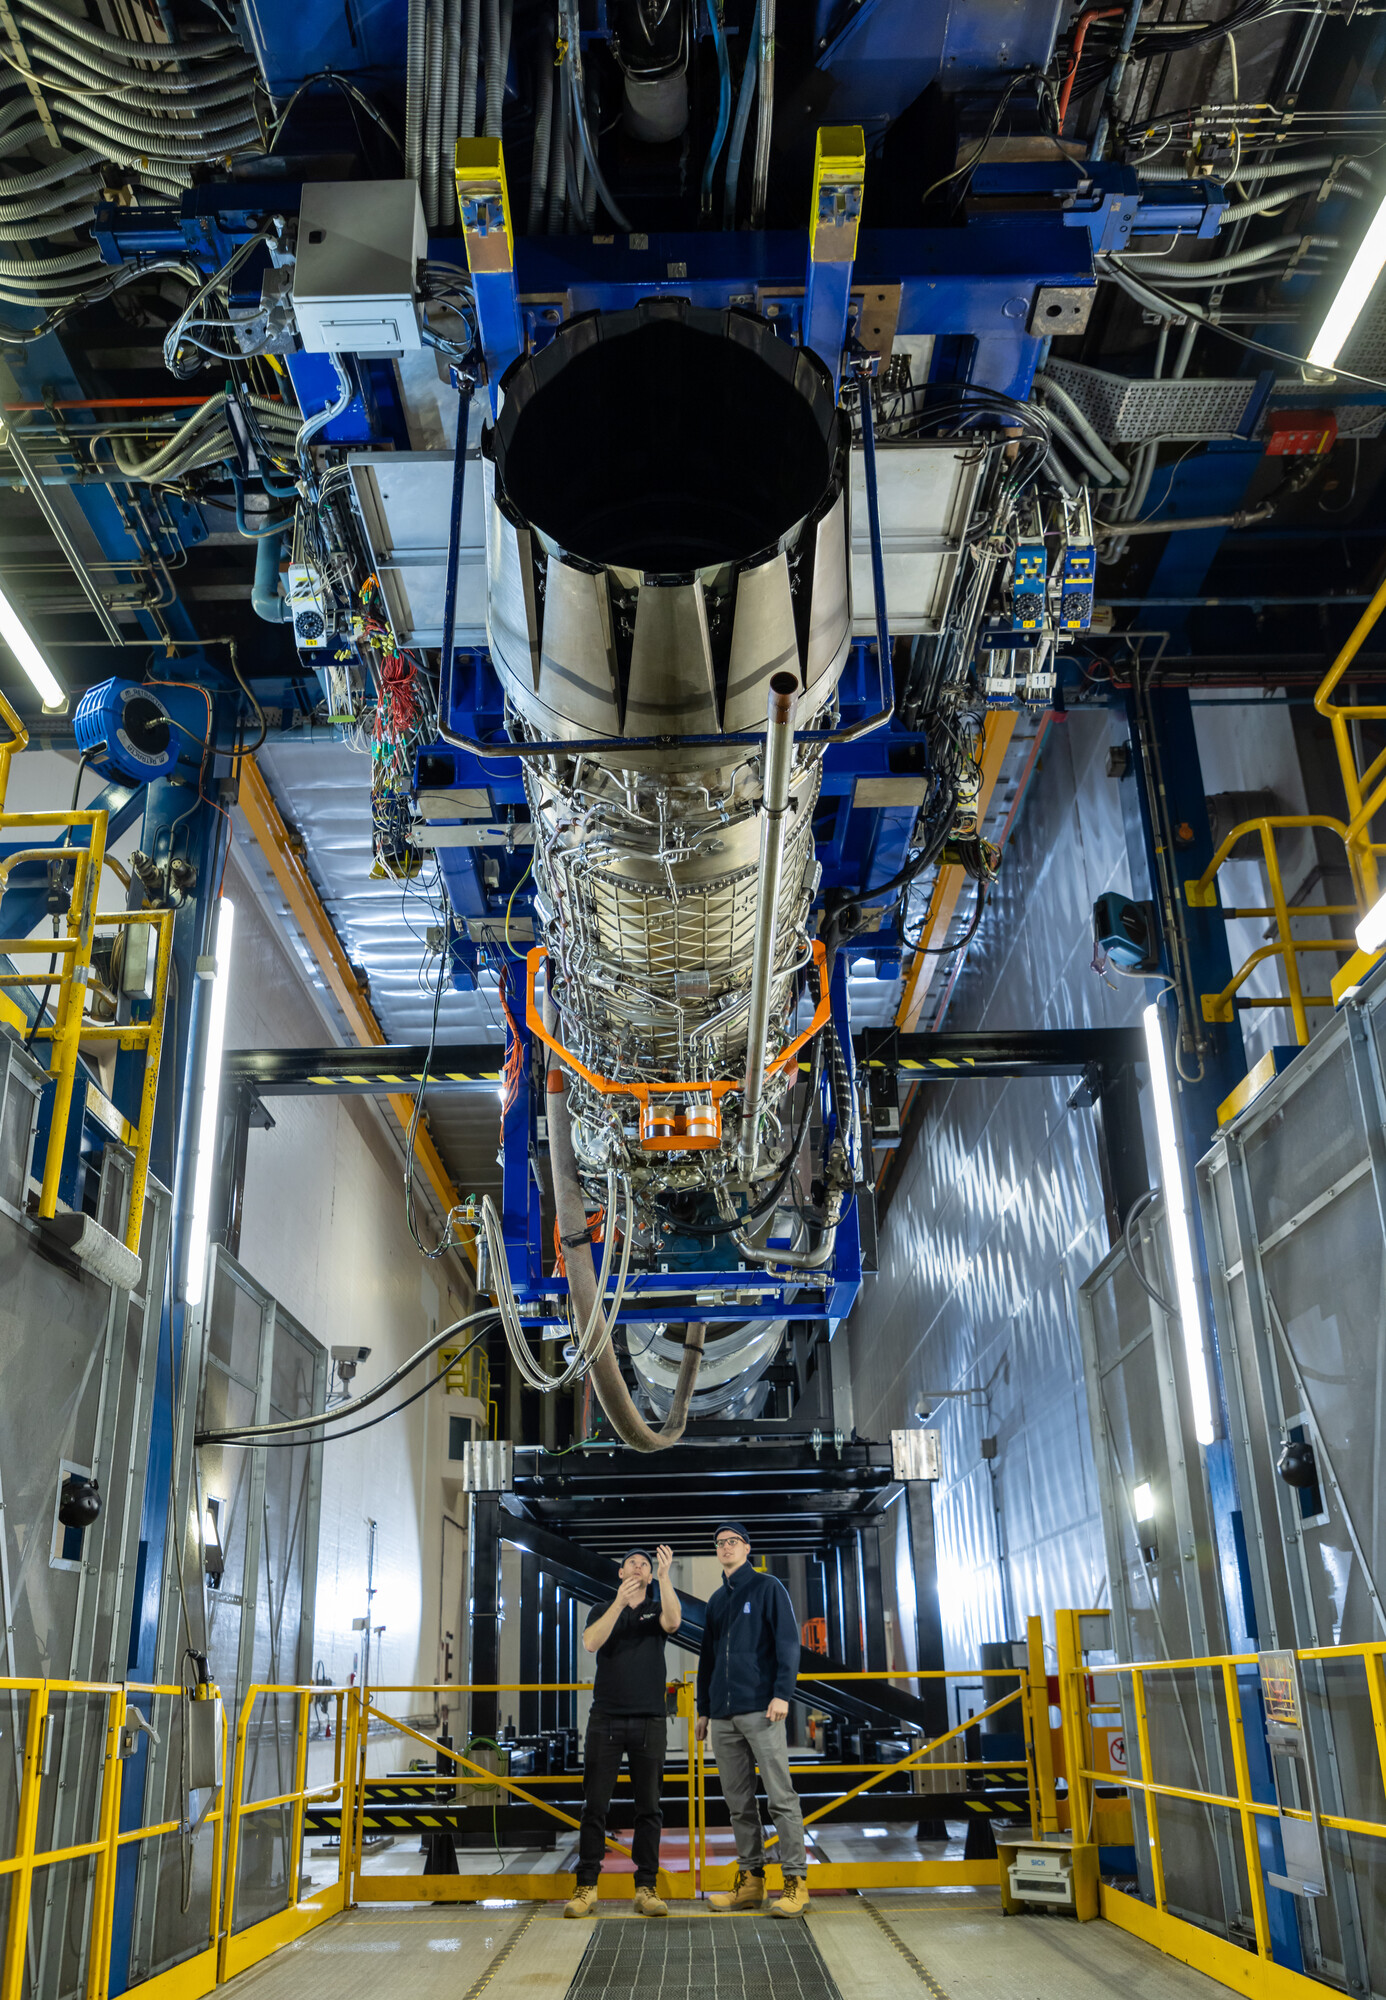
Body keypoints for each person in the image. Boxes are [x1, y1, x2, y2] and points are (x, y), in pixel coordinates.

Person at [695, 1521, 809, 1917]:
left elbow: (787, 1643)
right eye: (719, 1543)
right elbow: (708, 1659)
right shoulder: (715, 1600)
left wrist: (782, 1693)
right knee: (739, 1803)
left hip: (762, 1708)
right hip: (723, 1716)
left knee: (780, 1797)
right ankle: (751, 1882)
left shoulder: (767, 1588)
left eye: (732, 1542)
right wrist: (703, 1710)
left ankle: (795, 1882)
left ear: (746, 1548)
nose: (725, 1547)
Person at [565, 1543, 681, 1919]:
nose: (637, 1566)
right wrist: (618, 1603)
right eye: (631, 1563)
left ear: (649, 1574)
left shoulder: (656, 1608)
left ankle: (646, 1887)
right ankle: (586, 1888)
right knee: (594, 1807)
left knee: (649, 1808)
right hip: (606, 1720)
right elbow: (590, 1642)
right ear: (621, 1573)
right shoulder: (602, 1610)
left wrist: (664, 1578)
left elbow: (674, 1623)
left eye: (644, 1564)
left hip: (650, 1721)